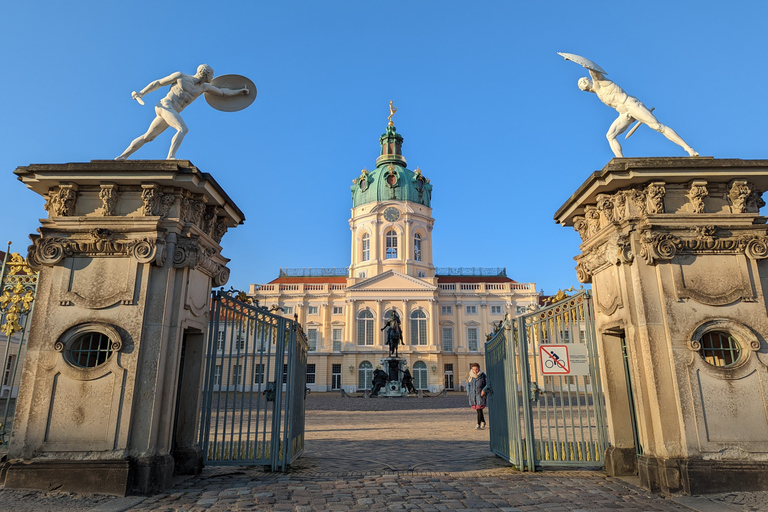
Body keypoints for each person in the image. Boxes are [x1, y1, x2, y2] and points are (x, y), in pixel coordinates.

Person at [116, 64, 249, 160]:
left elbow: (222, 93)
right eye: (212, 75)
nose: (212, 77)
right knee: (183, 129)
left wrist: (240, 92)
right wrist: (142, 93)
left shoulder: (204, 87)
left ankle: (122, 157)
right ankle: (170, 157)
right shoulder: (181, 76)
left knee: (148, 137)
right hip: (164, 106)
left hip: (172, 111)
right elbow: (158, 83)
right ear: (206, 73)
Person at [577, 69, 698, 158]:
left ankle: (689, 149)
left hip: (630, 104)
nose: (582, 82)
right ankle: (621, 161)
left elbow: (592, 69)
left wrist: (582, 64)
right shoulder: (598, 94)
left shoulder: (600, 82)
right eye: (580, 83)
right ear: (583, 90)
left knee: (657, 126)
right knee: (610, 136)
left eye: (583, 80)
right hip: (624, 113)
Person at [467, 363, 487, 429]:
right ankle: (483, 421)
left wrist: (484, 390)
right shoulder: (471, 376)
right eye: (473, 369)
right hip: (473, 396)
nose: (475, 371)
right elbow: (468, 385)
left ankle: (478, 424)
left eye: (476, 369)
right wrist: (468, 393)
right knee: (479, 410)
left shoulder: (483, 376)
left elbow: (487, 384)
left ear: (479, 369)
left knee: (479, 409)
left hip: (480, 395)